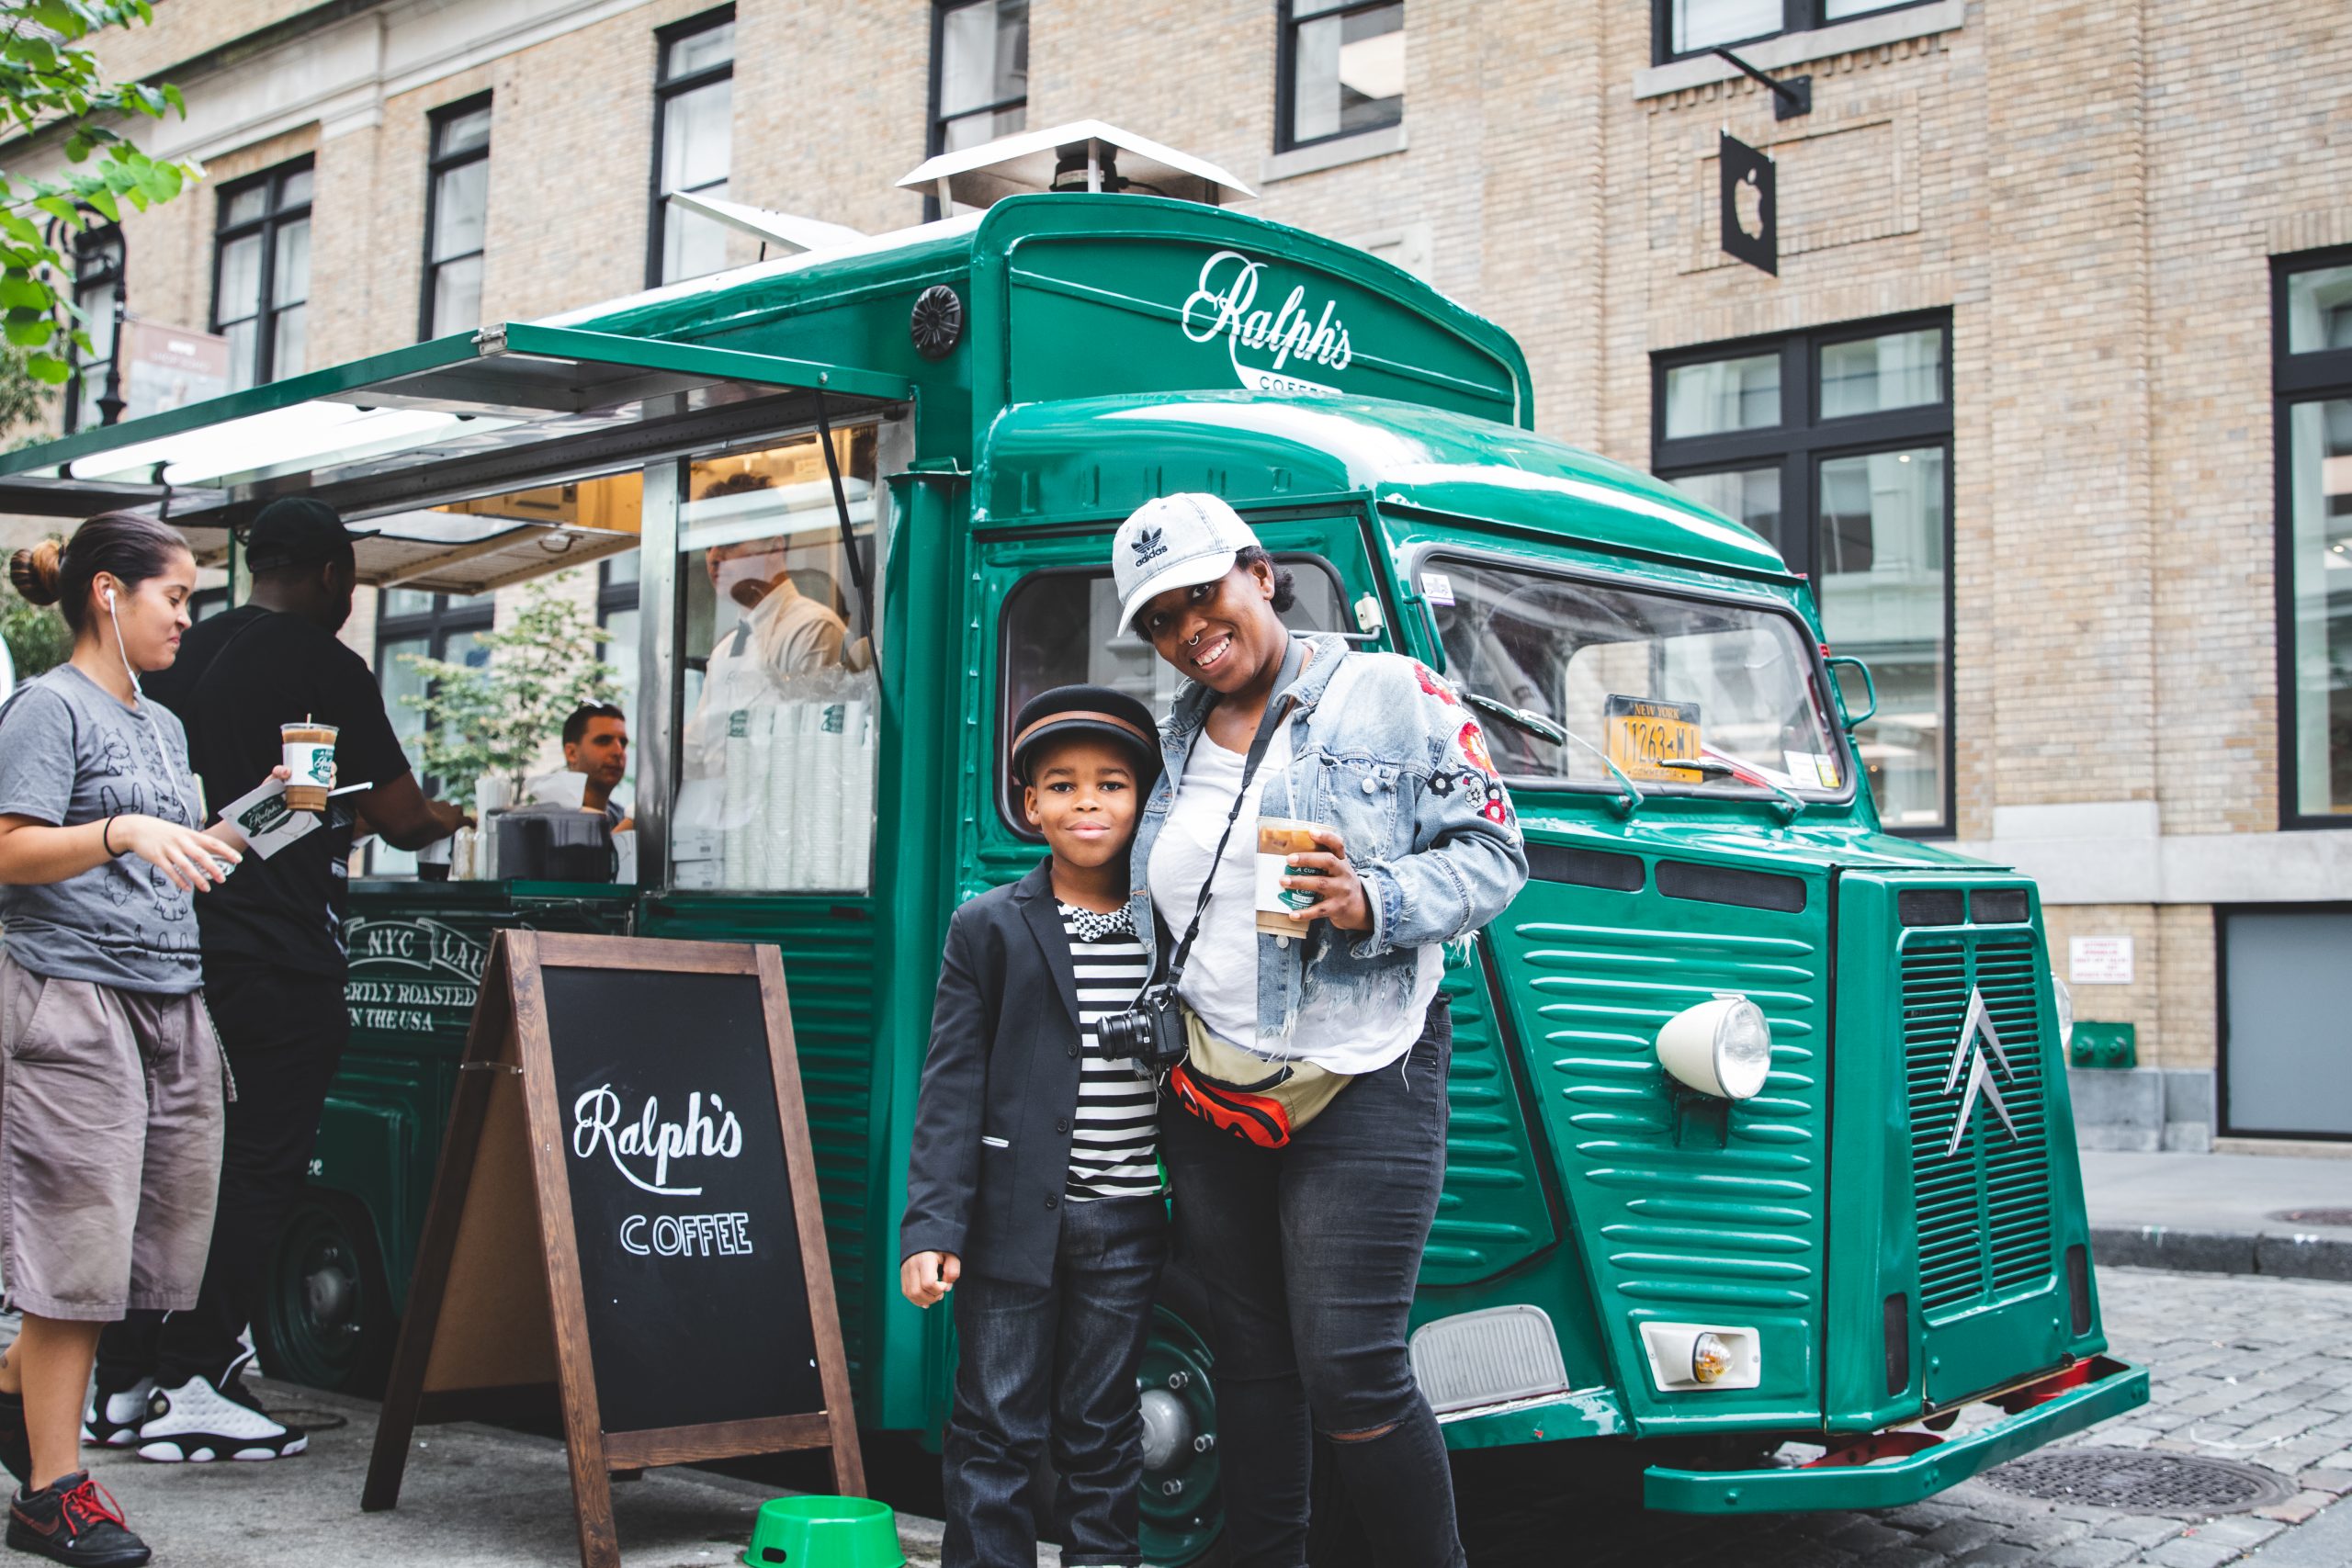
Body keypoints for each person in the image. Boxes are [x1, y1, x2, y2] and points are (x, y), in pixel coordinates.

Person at [1113, 493, 1528, 1568]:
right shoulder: (1170, 734)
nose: (1187, 631)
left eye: (1201, 595)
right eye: (1159, 619)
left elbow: (1494, 855)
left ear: (1258, 572)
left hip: (1364, 1071)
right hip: (1209, 1086)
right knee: (1248, 1360)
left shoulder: (1389, 690)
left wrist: (1373, 899)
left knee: (1350, 1366)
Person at [90, 495, 468, 1466]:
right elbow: (392, 811)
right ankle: (197, 1375)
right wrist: (444, 819)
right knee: (256, 1167)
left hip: (171, 947)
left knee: (169, 1166)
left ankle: (126, 1380)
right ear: (337, 577)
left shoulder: (186, 649)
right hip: (274, 953)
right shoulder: (322, 664)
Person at [0, 514, 277, 1566]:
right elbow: (11, 851)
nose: (188, 618)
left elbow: (163, 853)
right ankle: (53, 1493)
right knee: (77, 1254)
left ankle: (17, 1403)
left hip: (170, 999)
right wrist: (121, 830)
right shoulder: (46, 708)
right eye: (179, 598)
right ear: (110, 594)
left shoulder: (159, 725)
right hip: (72, 1001)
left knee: (135, 1254)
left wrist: (253, 823)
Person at [900, 684, 1168, 1568]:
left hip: (1127, 1221)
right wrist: (933, 1227)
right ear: (1028, 805)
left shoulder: (1170, 923)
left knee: (1103, 1428)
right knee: (994, 1426)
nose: (1086, 802)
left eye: (1111, 784)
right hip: (1011, 1220)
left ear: (1143, 800)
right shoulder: (990, 926)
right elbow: (950, 1086)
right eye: (1060, 785)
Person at [681, 473, 849, 784]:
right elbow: (695, 753)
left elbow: (808, 753)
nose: (714, 557)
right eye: (708, 545)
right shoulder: (724, 652)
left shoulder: (810, 629)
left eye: (729, 541)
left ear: (774, 547)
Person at [561, 703, 631, 831]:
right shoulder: (549, 822)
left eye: (623, 743)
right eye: (604, 741)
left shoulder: (623, 818)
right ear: (572, 753)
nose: (618, 751)